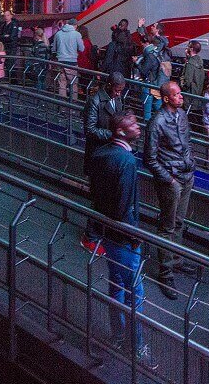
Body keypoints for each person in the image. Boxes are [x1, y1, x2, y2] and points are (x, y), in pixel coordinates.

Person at [86, 112, 157, 368]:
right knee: (134, 291)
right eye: (134, 125)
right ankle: (136, 345)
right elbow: (125, 204)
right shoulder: (126, 161)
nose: (139, 128)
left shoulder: (100, 154)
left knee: (116, 285)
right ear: (121, 131)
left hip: (107, 232)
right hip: (124, 237)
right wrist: (134, 237)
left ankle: (118, 335)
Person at [144, 82, 196, 299]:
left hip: (186, 175)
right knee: (167, 225)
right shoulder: (157, 122)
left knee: (179, 222)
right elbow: (149, 158)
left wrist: (190, 164)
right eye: (176, 94)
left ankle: (177, 260)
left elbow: (187, 143)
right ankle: (165, 272)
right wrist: (170, 180)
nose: (181, 97)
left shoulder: (181, 114)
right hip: (171, 180)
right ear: (166, 99)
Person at [83, 72, 126, 173]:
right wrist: (112, 134)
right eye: (117, 90)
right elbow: (89, 130)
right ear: (109, 85)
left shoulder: (117, 98)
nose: (118, 94)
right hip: (98, 149)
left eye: (121, 91)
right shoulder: (95, 101)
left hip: (110, 149)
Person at [52, 18, 85, 98]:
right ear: (76, 25)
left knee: (62, 84)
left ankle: (62, 106)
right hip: (72, 62)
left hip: (60, 62)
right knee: (73, 84)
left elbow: (54, 49)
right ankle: (73, 105)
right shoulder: (77, 34)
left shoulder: (58, 34)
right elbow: (82, 49)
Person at [137, 35, 163, 121]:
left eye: (141, 43)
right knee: (158, 107)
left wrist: (137, 63)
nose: (141, 45)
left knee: (147, 111)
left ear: (145, 43)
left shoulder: (149, 55)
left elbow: (144, 70)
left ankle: (147, 129)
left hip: (148, 85)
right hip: (156, 83)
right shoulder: (156, 52)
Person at [0, 10, 23, 83]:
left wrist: (4, 37)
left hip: (11, 47)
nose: (6, 17)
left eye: (7, 15)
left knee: (10, 63)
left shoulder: (14, 25)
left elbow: (12, 37)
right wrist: (5, 36)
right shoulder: (3, 25)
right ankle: (8, 79)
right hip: (5, 47)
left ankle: (13, 81)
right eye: (5, 15)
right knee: (5, 64)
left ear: (11, 16)